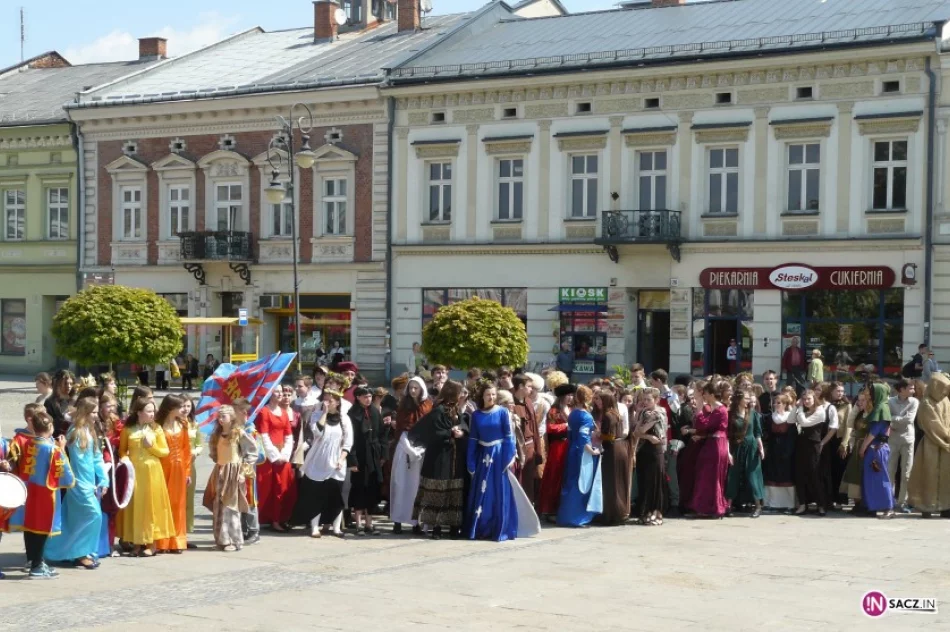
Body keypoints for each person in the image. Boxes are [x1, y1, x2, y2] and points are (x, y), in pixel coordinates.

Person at [466, 381, 537, 540]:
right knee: (483, 492)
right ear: (482, 396)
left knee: (498, 491)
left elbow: (509, 437)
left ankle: (499, 527)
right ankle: (481, 528)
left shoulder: (503, 412)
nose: (490, 397)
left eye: (493, 394)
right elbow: (473, 439)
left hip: (498, 457)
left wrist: (507, 458)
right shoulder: (477, 415)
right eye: (487, 394)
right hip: (483, 456)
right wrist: (471, 461)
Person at [8, 410, 75, 579]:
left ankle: (34, 560)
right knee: (42, 529)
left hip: (29, 491)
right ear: (50, 427)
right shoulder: (53, 449)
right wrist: (61, 449)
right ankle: (37, 566)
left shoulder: (28, 444)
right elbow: (65, 475)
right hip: (46, 494)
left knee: (30, 527)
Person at [45, 397, 107, 569]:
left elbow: (95, 457)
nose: (96, 415)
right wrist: (83, 484)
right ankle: (80, 554)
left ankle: (71, 552)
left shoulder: (89, 430)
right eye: (93, 412)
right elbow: (78, 463)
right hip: (79, 484)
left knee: (76, 520)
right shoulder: (76, 432)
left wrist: (103, 479)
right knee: (93, 515)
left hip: (88, 482)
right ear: (85, 413)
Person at [408, 381, 469, 539]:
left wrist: (461, 432)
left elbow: (464, 425)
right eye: (460, 393)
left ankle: (454, 526)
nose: (462, 396)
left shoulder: (457, 410)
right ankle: (436, 527)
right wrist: (450, 432)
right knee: (439, 491)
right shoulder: (439, 410)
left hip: (455, 458)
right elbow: (431, 432)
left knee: (454, 491)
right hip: (439, 457)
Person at [117, 397, 176, 557]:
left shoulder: (156, 429)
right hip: (135, 472)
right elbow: (122, 450)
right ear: (139, 412)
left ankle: (152, 543)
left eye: (153, 411)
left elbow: (164, 452)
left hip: (152, 471)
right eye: (149, 411)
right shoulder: (128, 429)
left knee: (151, 507)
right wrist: (124, 458)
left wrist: (152, 446)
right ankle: (136, 543)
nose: (152, 414)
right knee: (136, 506)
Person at [294, 389, 352, 538]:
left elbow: (348, 442)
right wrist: (324, 413)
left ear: (337, 402)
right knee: (316, 494)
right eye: (325, 399)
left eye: (330, 400)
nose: (327, 402)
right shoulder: (317, 415)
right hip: (319, 459)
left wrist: (341, 459)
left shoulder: (344, 419)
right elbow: (317, 433)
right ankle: (315, 527)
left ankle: (336, 527)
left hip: (336, 460)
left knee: (336, 495)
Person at [204, 406, 255, 551]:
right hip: (220, 471)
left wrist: (242, 473)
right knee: (218, 507)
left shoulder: (239, 433)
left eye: (223, 416)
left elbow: (251, 453)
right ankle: (222, 540)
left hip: (233, 473)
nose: (220, 419)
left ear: (232, 417)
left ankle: (234, 540)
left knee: (230, 507)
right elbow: (214, 452)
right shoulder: (217, 434)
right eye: (219, 417)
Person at [389, 376, 433, 534]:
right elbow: (401, 430)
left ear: (422, 389)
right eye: (411, 387)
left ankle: (416, 522)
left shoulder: (428, 406)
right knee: (400, 485)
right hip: (404, 448)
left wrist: (420, 449)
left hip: (421, 452)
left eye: (416, 387)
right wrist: (409, 448)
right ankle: (397, 520)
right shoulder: (403, 406)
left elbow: (429, 429)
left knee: (416, 488)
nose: (413, 390)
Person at [557, 385, 602, 527]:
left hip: (572, 449)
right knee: (582, 483)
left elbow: (571, 434)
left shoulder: (573, 414)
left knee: (571, 481)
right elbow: (584, 436)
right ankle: (577, 517)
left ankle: (565, 515)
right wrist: (592, 450)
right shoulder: (586, 416)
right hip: (582, 454)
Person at [907, 373, 950, 517]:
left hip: (945, 446)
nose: (944, 391)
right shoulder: (926, 403)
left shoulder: (946, 401)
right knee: (928, 476)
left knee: (945, 477)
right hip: (931, 444)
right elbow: (932, 425)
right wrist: (947, 436)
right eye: (942, 388)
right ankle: (926, 506)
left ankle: (945, 506)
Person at [153, 395, 191, 553]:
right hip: (163, 468)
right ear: (170, 408)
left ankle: (177, 541)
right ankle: (162, 541)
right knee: (163, 504)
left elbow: (186, 450)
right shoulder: (158, 426)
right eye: (179, 406)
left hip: (180, 468)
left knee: (179, 504)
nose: (183, 409)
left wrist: (187, 472)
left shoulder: (183, 424)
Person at [687, 381, 730, 518]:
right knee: (706, 475)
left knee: (713, 476)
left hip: (716, 445)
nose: (703, 395)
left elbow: (704, 426)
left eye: (705, 393)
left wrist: (699, 410)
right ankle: (705, 507)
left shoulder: (720, 409)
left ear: (712, 394)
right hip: (713, 443)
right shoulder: (714, 409)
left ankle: (716, 508)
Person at [257, 389, 296, 532]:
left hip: (283, 454)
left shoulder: (284, 412)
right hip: (268, 457)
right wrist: (274, 456)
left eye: (281, 392)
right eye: (276, 392)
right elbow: (264, 435)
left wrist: (285, 455)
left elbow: (288, 436)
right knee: (267, 487)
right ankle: (265, 519)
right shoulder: (264, 412)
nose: (279, 394)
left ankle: (279, 518)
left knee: (283, 487)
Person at [793, 389, 837, 516]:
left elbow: (805, 423)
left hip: (813, 445)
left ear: (814, 399)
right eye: (804, 399)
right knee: (800, 474)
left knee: (815, 475)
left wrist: (800, 409)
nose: (806, 401)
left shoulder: (820, 411)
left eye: (809, 399)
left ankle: (821, 505)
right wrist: (795, 408)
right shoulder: (801, 410)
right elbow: (791, 420)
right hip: (800, 445)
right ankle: (802, 504)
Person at [348, 386, 384, 536]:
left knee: (372, 488)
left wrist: (383, 455)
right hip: (360, 454)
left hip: (373, 454)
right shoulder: (352, 414)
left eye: (369, 396)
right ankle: (358, 524)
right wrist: (353, 461)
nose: (368, 399)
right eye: (365, 396)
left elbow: (382, 434)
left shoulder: (375, 411)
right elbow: (350, 439)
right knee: (359, 488)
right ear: (357, 397)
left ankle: (369, 523)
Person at [537, 383, 574, 521]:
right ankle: (550, 509)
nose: (570, 398)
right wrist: (566, 425)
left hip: (571, 445)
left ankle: (564, 507)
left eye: (571, 395)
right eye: (568, 395)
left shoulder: (573, 409)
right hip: (558, 445)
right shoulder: (554, 410)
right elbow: (550, 427)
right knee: (555, 475)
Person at [725, 390, 765, 518]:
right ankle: (728, 505)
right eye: (746, 398)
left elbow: (757, 433)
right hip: (736, 447)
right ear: (739, 399)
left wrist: (761, 448)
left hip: (751, 447)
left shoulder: (753, 413)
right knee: (733, 475)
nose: (748, 400)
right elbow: (726, 435)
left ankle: (758, 506)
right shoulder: (730, 414)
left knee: (753, 475)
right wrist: (728, 452)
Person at [631, 388, 666, 525]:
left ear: (657, 400)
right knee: (644, 482)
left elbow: (641, 430)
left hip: (655, 451)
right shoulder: (644, 412)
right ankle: (645, 513)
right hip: (643, 450)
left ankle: (656, 514)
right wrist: (648, 436)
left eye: (648, 399)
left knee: (654, 483)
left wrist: (645, 434)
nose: (645, 402)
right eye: (643, 399)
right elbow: (636, 432)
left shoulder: (658, 413)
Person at [861, 383, 895, 519]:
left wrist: (863, 447)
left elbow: (873, 432)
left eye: (872, 392)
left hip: (877, 449)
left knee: (881, 478)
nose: (869, 394)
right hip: (875, 448)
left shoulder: (882, 408)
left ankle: (889, 507)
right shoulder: (880, 407)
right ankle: (873, 506)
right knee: (872, 479)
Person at [598, 390, 630, 525]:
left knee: (611, 483)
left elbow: (609, 436)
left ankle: (612, 514)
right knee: (618, 482)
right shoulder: (615, 413)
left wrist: (597, 434)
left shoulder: (607, 415)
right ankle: (619, 513)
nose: (597, 402)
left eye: (599, 400)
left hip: (611, 450)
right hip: (619, 447)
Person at [887, 379, 918, 513]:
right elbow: (887, 418)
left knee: (906, 473)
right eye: (910, 388)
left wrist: (894, 420)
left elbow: (909, 420)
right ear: (901, 389)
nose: (913, 391)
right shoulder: (890, 401)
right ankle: (888, 500)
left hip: (908, 440)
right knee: (890, 471)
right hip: (892, 440)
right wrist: (897, 420)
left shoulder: (914, 402)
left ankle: (902, 502)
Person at [511, 374, 543, 506]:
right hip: (516, 449)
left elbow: (534, 427)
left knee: (528, 483)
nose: (531, 390)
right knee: (517, 482)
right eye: (529, 387)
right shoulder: (510, 403)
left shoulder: (528, 402)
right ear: (520, 387)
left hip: (530, 448)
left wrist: (538, 452)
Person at [763, 393, 797, 512]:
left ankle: (789, 504)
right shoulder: (770, 418)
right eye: (775, 402)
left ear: (785, 404)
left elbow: (793, 436)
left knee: (786, 476)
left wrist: (788, 451)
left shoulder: (790, 418)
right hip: (773, 451)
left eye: (779, 403)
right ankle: (772, 503)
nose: (776, 405)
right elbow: (767, 435)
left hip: (786, 451)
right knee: (772, 475)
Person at [828, 382, 853, 509]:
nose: (840, 393)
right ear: (831, 391)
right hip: (828, 440)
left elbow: (849, 425)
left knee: (840, 471)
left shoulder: (847, 405)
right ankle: (829, 498)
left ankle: (839, 499)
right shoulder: (826, 404)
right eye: (838, 391)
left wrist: (845, 443)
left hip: (840, 440)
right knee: (829, 470)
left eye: (842, 391)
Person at [182, 396, 201, 544]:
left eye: (188, 406)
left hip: (190, 465)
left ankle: (185, 533)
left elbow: (200, 444)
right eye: (183, 406)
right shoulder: (173, 424)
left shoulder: (194, 424)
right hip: (176, 465)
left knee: (189, 500)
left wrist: (196, 451)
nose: (186, 409)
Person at [45, 369, 75, 439]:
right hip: (57, 437)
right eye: (65, 383)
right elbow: (49, 423)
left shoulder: (74, 400)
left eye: (71, 383)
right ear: (57, 384)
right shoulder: (50, 402)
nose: (69, 386)